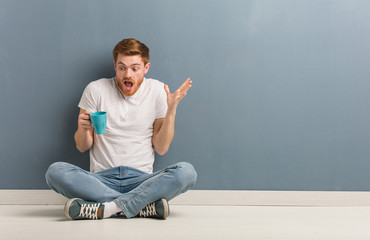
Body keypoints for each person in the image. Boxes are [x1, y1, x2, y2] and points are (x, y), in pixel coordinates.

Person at [45, 38, 197, 220]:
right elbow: (82, 146)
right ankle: (141, 207)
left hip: (142, 180)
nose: (128, 74)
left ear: (146, 68)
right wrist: (83, 129)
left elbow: (161, 147)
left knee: (187, 172)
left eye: (135, 68)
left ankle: (107, 208)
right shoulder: (96, 89)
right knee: (55, 172)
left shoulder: (157, 91)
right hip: (101, 180)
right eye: (122, 67)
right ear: (115, 66)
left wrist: (171, 110)